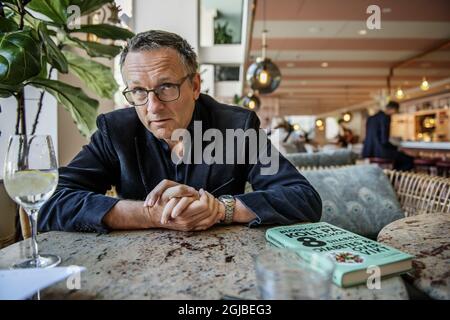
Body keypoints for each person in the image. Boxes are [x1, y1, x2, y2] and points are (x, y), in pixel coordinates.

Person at [38, 30, 322, 233]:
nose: (153, 107)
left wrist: (221, 209)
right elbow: (50, 201)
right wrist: (151, 214)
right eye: (138, 90)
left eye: (166, 87)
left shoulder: (238, 127)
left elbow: (303, 198)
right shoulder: (115, 131)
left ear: (195, 86)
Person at [362, 101, 414, 171]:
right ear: (393, 109)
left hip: (369, 151)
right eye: (396, 111)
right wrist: (396, 148)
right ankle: (395, 177)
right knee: (408, 159)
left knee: (399, 158)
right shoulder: (385, 118)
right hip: (381, 152)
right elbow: (384, 141)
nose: (394, 114)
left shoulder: (370, 118)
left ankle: (393, 175)